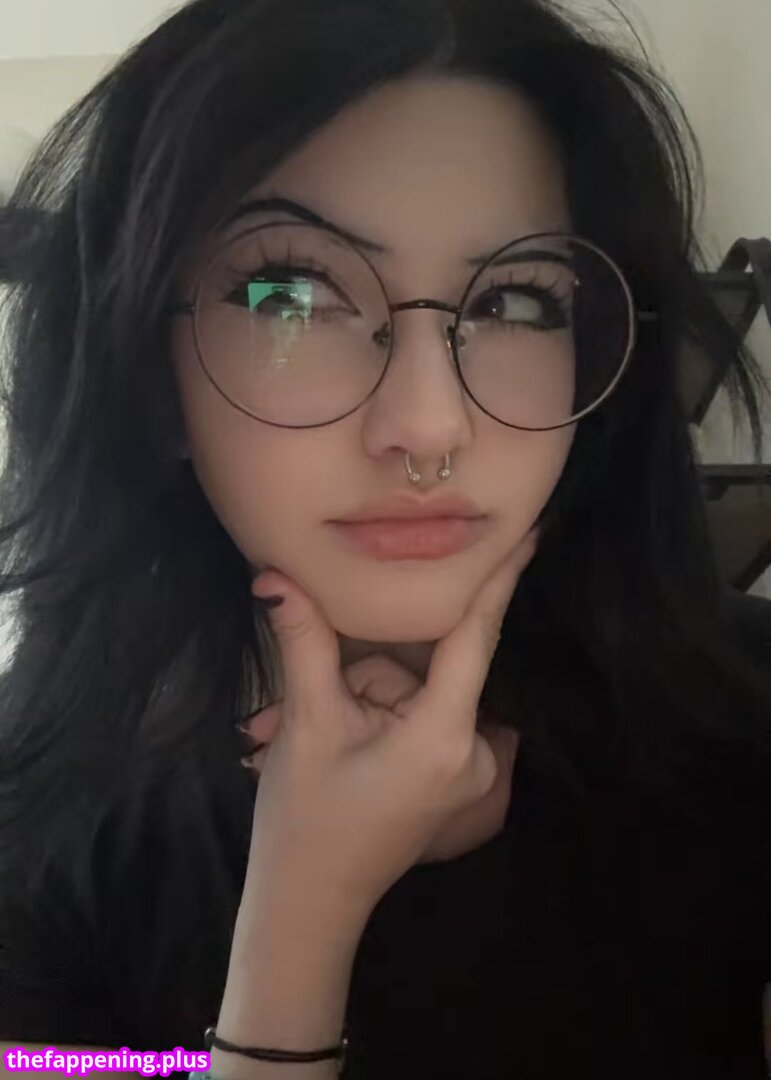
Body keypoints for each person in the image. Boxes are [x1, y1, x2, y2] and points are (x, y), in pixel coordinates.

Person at [0, 1, 769, 1078]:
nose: (429, 425)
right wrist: (300, 915)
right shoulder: (34, 810)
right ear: (146, 377)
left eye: (515, 301)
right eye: (289, 294)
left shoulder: (744, 719)